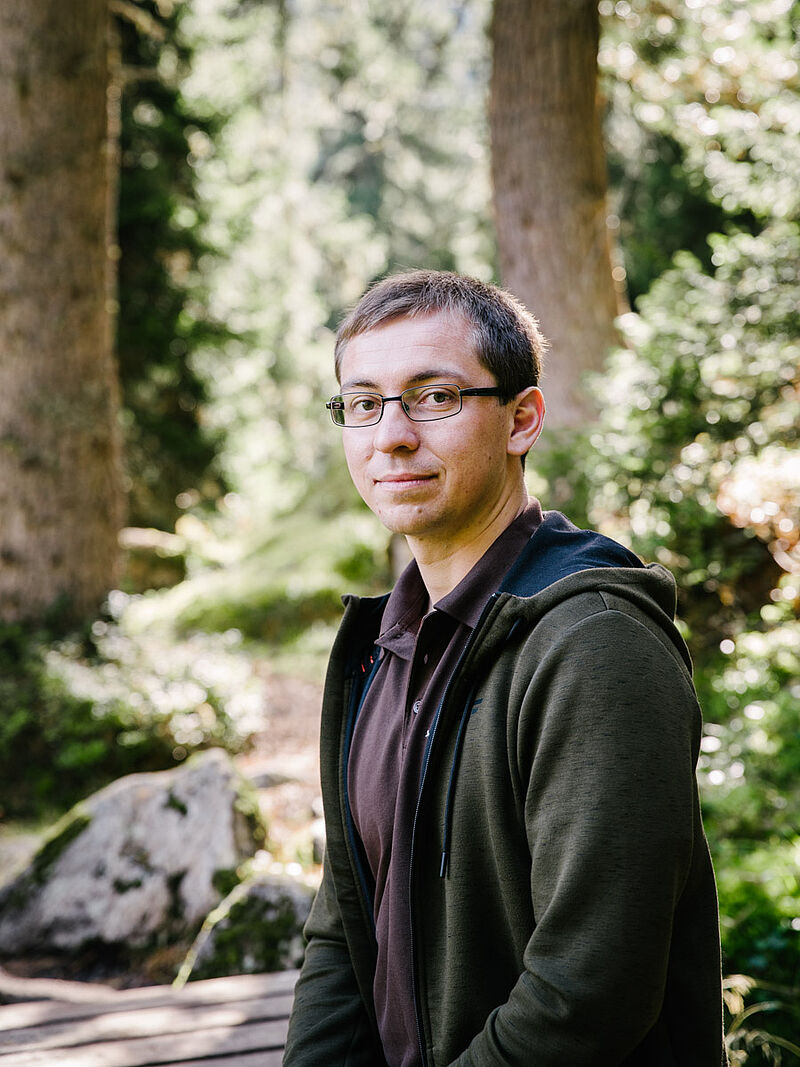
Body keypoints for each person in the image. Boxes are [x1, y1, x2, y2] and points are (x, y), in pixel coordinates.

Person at [283, 270, 727, 1066]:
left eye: (435, 397)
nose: (391, 435)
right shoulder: (385, 646)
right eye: (364, 403)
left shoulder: (594, 642)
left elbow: (589, 991)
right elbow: (345, 927)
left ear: (523, 419)